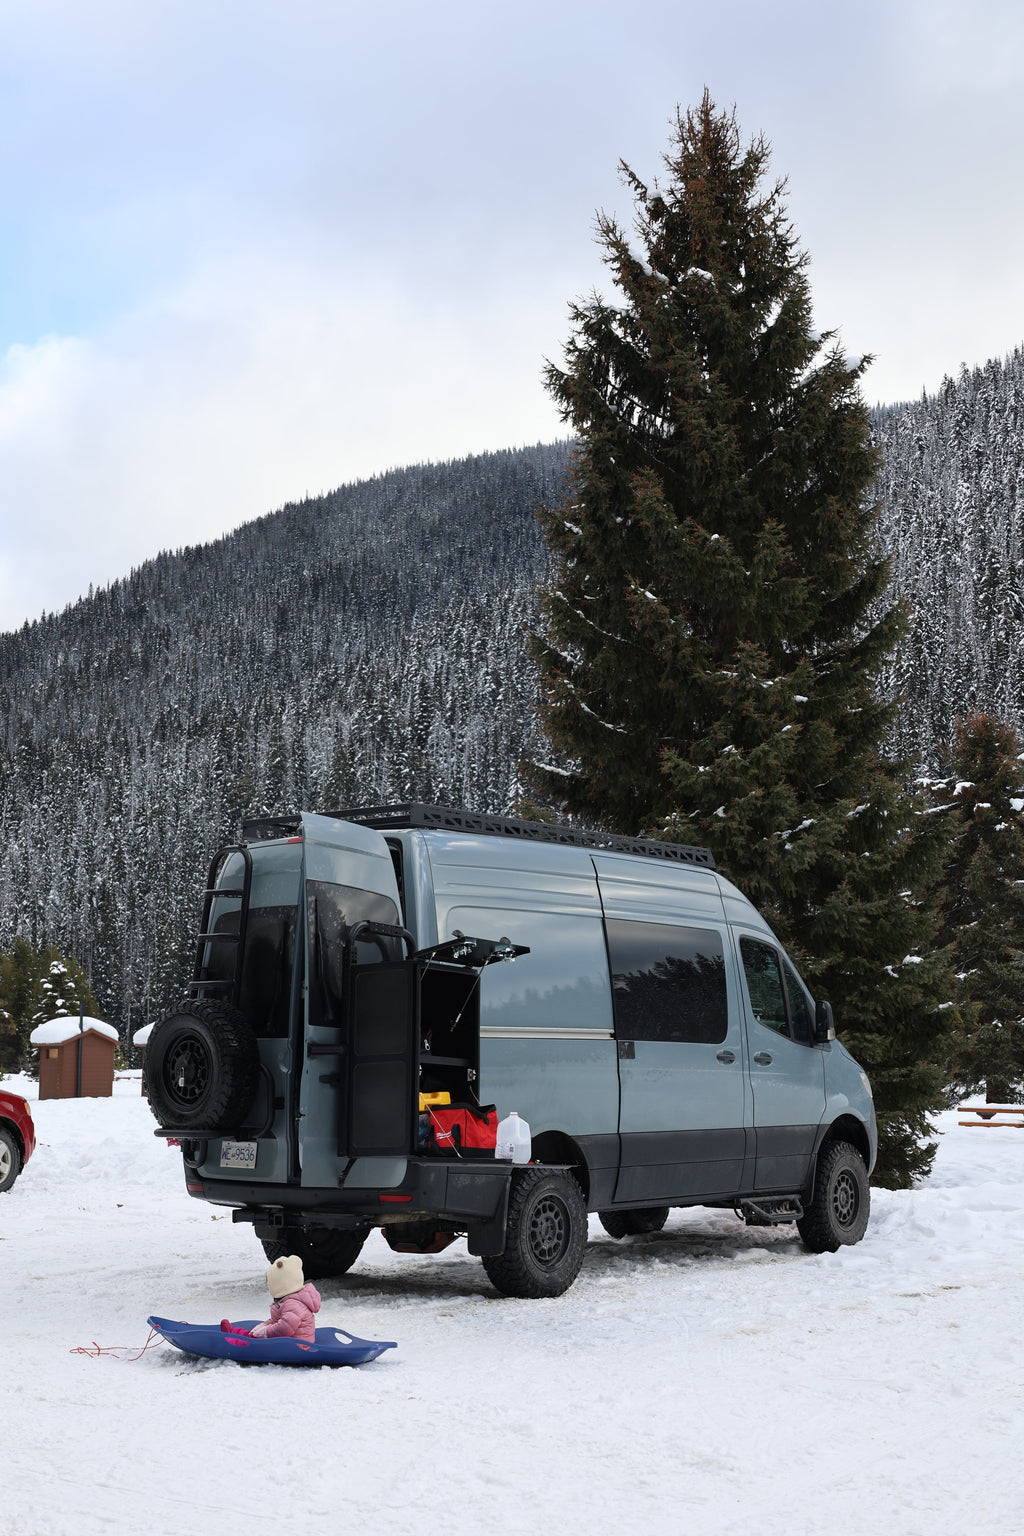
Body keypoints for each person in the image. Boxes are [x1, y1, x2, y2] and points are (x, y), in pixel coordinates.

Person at [220, 1254, 322, 1343]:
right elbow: (277, 1320)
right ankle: (234, 1333)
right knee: (254, 1334)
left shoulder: (293, 1304)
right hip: (289, 1340)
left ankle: (232, 1342)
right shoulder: (289, 1300)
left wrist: (266, 1332)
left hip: (297, 1344)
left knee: (254, 1343)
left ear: (281, 1284)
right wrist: (263, 1326)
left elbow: (285, 1328)